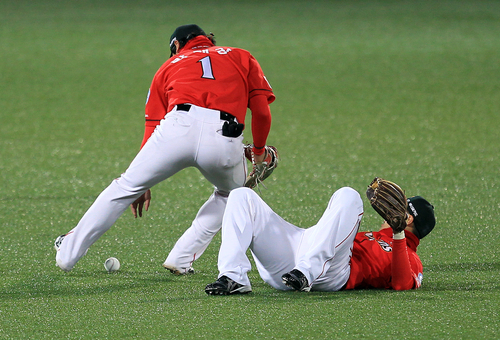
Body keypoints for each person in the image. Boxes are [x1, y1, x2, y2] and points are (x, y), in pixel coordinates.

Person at [54, 24, 275, 273]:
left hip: (176, 129)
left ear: (177, 46)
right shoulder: (242, 55)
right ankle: (182, 257)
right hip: (224, 135)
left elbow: (152, 127)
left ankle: (68, 252)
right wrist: (258, 152)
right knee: (231, 196)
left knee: (125, 187)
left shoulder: (167, 67)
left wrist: (143, 182)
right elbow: (261, 111)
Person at [205, 184, 435, 295]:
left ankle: (307, 271)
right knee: (241, 196)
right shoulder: (374, 235)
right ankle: (233, 277)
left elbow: (403, 284)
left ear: (408, 219)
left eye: (399, 207)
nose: (390, 207)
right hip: (296, 253)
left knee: (350, 196)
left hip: (332, 274)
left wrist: (398, 235)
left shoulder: (411, 258)